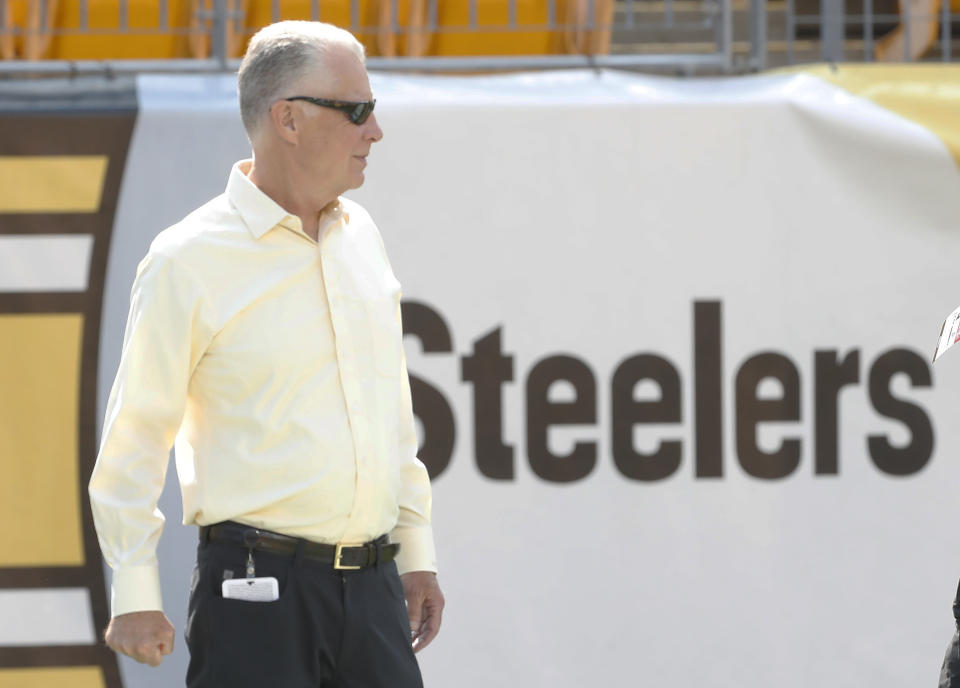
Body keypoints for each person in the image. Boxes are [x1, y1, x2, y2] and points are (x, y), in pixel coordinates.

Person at [88, 20, 443, 688]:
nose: (376, 131)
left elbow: (391, 410)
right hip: (255, 595)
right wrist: (134, 592)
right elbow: (135, 434)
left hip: (374, 592)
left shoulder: (361, 235)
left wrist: (415, 551)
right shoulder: (187, 259)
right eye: (358, 110)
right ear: (288, 120)